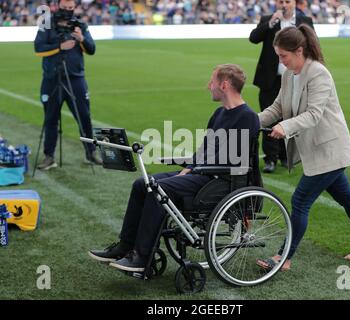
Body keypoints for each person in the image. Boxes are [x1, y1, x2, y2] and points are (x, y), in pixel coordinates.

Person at [88, 64, 260, 272]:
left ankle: (141, 258)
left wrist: (195, 168)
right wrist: (190, 165)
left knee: (157, 190)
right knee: (141, 184)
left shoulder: (247, 117)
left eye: (212, 82)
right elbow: (206, 148)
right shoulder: (219, 113)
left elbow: (233, 159)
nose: (208, 86)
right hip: (203, 172)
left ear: (224, 85)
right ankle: (125, 246)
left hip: (221, 179)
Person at [256, 25, 350, 271]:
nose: (281, 61)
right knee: (346, 197)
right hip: (317, 150)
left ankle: (284, 257)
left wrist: (285, 127)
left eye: (284, 56)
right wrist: (249, 120)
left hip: (330, 150)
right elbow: (278, 107)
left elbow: (313, 114)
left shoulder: (318, 73)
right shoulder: (290, 74)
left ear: (299, 50)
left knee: (300, 200)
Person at [34, 0, 102, 170]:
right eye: (65, 8)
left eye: (71, 8)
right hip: (52, 79)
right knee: (50, 119)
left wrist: (81, 39)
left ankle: (91, 152)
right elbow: (38, 48)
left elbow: (92, 49)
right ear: (58, 6)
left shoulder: (80, 24)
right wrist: (60, 47)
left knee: (84, 117)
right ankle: (49, 156)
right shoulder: (46, 24)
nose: (68, 11)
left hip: (76, 79)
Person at [249, 0, 314, 173]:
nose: (284, 4)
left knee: (291, 117)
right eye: (281, 1)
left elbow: (312, 45)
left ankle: (286, 156)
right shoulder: (268, 19)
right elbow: (253, 38)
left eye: (288, 1)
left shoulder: (304, 21)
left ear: (294, 3)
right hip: (270, 78)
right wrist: (270, 22)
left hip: (295, 77)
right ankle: (270, 158)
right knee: (269, 115)